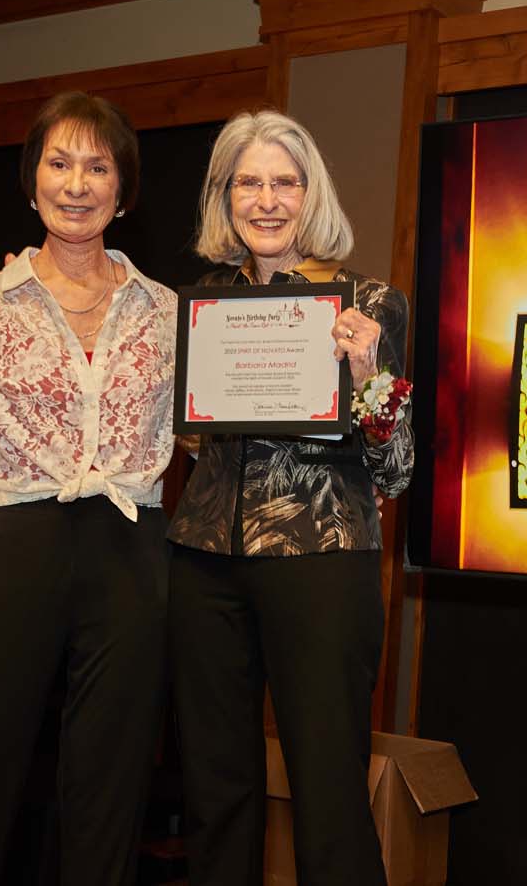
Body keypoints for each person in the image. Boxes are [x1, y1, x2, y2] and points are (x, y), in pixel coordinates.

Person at [0, 91, 176, 886]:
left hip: (131, 546)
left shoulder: (167, 311)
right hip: (17, 541)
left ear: (123, 192)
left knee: (111, 780)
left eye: (98, 166)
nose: (77, 183)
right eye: (59, 163)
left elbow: (213, 429)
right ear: (32, 183)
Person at [169, 110, 413, 886]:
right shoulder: (201, 299)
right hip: (204, 564)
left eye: (285, 181)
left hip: (322, 563)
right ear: (225, 196)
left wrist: (370, 374)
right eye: (249, 182)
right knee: (212, 791)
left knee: (328, 793)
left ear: (312, 196)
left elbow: (397, 470)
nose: (267, 199)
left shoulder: (372, 302)